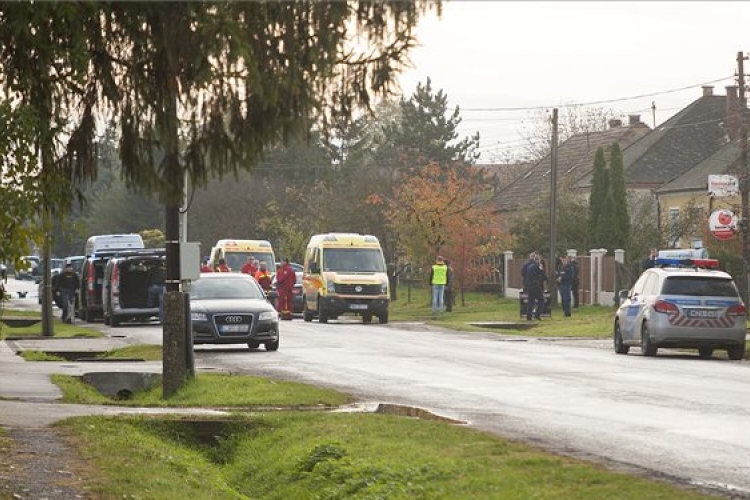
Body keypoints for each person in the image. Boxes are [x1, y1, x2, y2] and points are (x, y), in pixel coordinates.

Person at [524, 253, 547, 320]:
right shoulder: (538, 266)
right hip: (535, 285)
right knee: (541, 300)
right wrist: (546, 278)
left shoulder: (529, 267)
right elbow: (542, 274)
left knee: (530, 301)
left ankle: (529, 316)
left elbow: (525, 274)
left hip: (529, 286)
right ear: (538, 260)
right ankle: (537, 314)